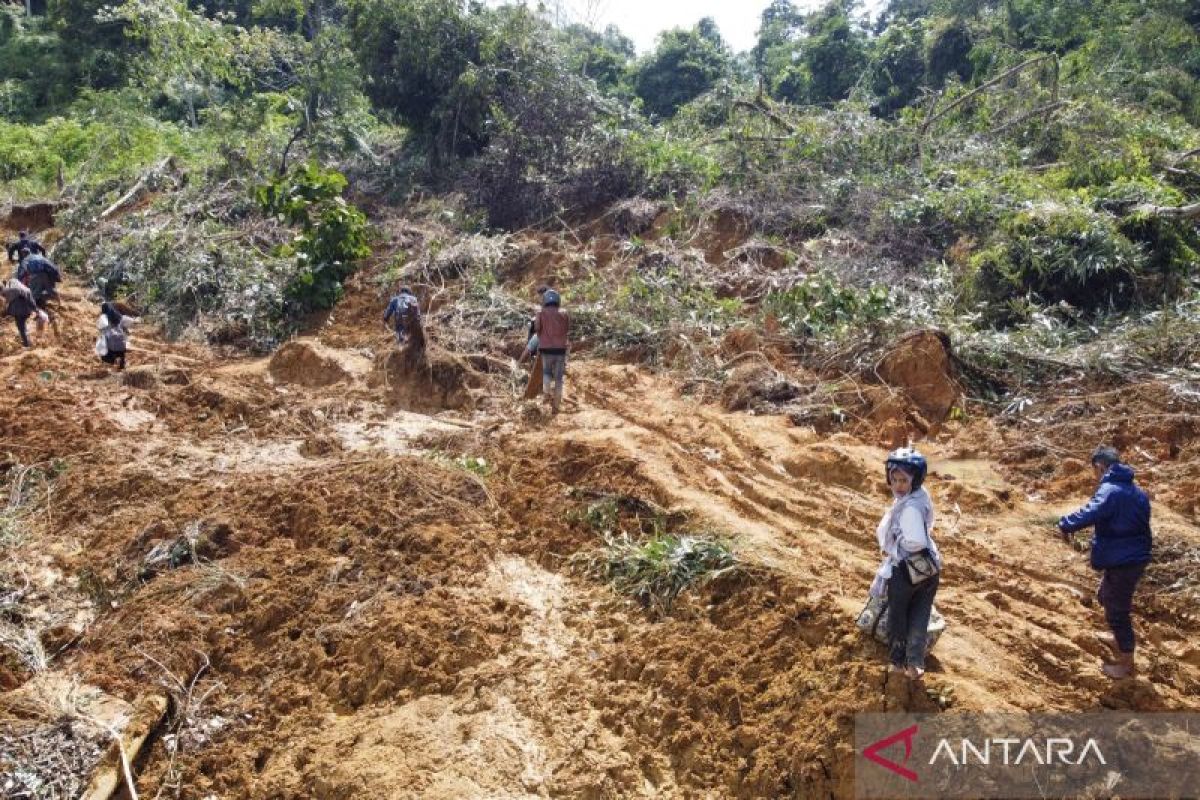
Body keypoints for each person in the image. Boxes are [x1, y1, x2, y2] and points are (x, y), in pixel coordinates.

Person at [1058, 445, 1152, 679]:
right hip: (1129, 557)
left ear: (1100, 467)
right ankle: (1117, 638)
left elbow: (1091, 512)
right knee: (1105, 596)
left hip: (1124, 560)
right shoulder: (1136, 491)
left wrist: (1066, 524)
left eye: (1094, 470)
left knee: (1117, 610)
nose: (1094, 476)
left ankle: (1126, 664)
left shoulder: (1110, 490)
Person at [869, 447, 942, 681]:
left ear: (915, 479)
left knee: (898, 616)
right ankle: (915, 664)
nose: (898, 485)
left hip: (907, 570)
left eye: (904, 480)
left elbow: (915, 541)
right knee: (920, 614)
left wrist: (898, 540)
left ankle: (897, 663)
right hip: (928, 567)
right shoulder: (920, 496)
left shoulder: (908, 507)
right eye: (895, 480)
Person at [532, 288, 570, 413]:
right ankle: (556, 406)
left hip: (546, 349)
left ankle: (546, 393)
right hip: (561, 349)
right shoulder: (564, 313)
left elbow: (537, 328)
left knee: (547, 373)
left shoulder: (540, 313)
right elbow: (567, 329)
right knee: (558, 378)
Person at [18, 254, 61, 336]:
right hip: (46, 277)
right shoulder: (40, 259)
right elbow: (52, 268)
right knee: (50, 292)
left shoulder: (25, 262)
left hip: (35, 280)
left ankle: (40, 322)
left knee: (35, 298)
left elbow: (22, 279)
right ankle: (59, 304)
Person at [97, 301, 134, 370]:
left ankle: (112, 360)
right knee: (120, 342)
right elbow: (128, 323)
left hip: (112, 348)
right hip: (122, 347)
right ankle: (122, 363)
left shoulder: (104, 319)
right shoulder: (119, 317)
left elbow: (101, 330)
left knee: (105, 347)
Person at [1, 279, 37, 347]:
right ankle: (28, 341)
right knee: (23, 326)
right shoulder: (26, 289)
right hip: (26, 311)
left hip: (18, 312)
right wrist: (36, 310)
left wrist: (5, 313)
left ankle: (27, 344)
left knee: (21, 327)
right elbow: (32, 301)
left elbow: (7, 303)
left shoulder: (8, 291)